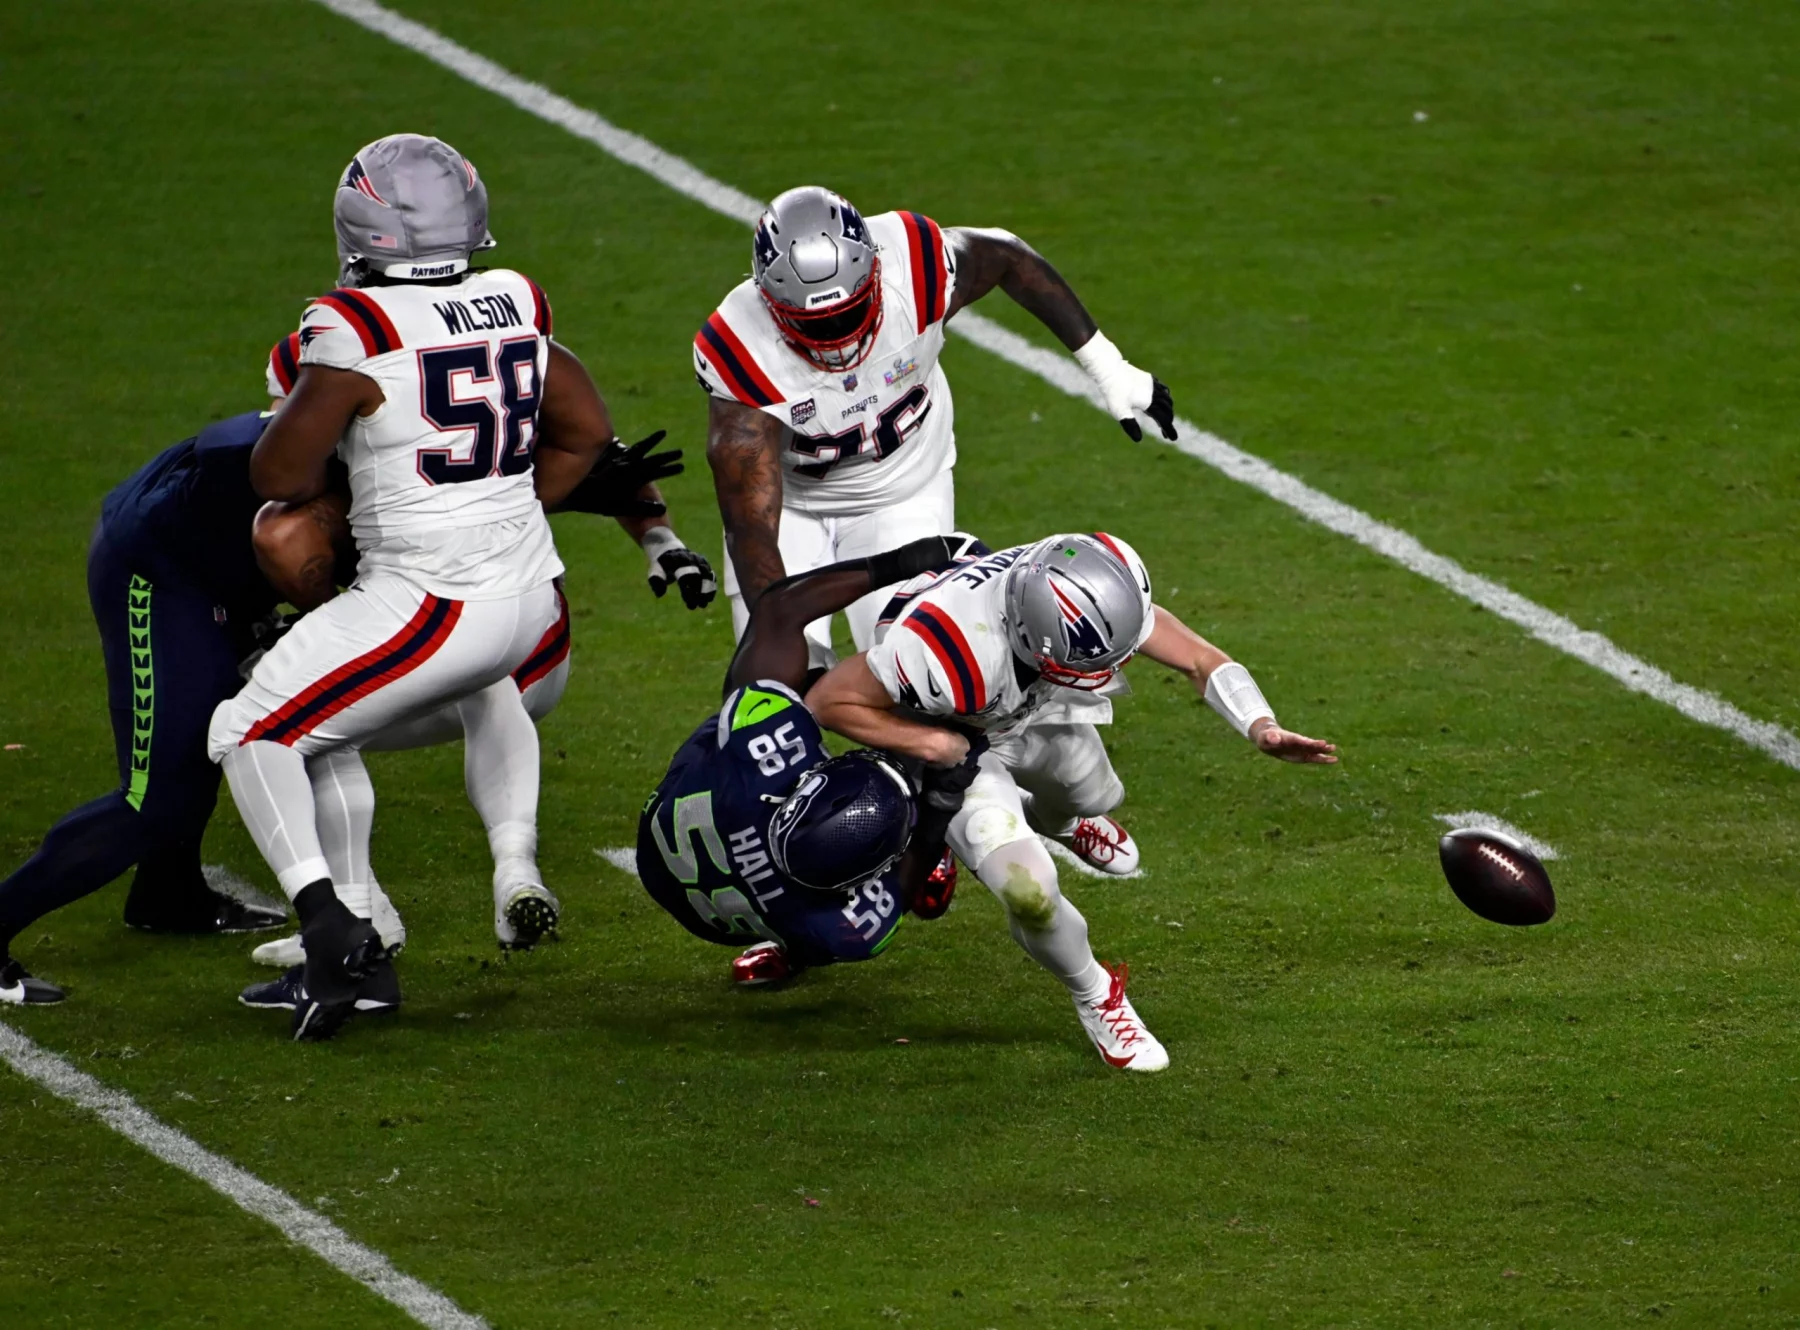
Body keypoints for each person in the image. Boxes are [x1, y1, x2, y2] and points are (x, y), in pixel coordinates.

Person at [208, 133, 642, 1041]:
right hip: (529, 596)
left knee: (249, 727)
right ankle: (388, 912)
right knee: (322, 719)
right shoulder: (518, 296)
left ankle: (334, 935)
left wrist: (322, 405)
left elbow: (277, 473)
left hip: (435, 604)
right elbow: (586, 429)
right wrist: (510, 502)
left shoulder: (351, 326)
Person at [695, 185, 1175, 882]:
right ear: (771, 303)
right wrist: (785, 639)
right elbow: (752, 528)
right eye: (814, 327)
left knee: (939, 670)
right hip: (790, 516)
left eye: (849, 316)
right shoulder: (741, 349)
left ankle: (1051, 813)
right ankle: (796, 885)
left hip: (904, 493)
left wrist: (1108, 366)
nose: (836, 342)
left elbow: (1010, 259)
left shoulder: (915, 261)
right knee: (772, 704)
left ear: (872, 276)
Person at [240, 338, 711, 991]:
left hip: (449, 623)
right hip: (521, 632)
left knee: (294, 718)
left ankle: (356, 913)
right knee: (475, 670)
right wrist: (661, 541)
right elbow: (603, 449)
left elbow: (289, 483)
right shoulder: (493, 334)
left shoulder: (335, 347)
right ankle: (513, 865)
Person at [806, 533, 1339, 1072]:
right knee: (1030, 891)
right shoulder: (940, 650)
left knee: (1098, 795)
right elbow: (829, 700)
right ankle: (1095, 995)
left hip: (1026, 703)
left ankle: (1059, 821)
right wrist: (934, 746)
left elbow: (1199, 658)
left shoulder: (1087, 583)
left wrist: (1261, 727)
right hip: (958, 735)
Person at [0, 411, 295, 1006]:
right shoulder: (284, 455)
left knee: (210, 731)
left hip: (209, 565)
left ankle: (169, 895)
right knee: (152, 798)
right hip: (158, 569)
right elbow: (224, 447)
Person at [637, 535, 984, 987]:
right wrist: (942, 796)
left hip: (668, 862)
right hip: (713, 872)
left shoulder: (755, 743)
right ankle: (796, 947)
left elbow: (778, 611)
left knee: (772, 688)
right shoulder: (851, 931)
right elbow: (905, 884)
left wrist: (897, 563)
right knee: (827, 935)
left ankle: (786, 940)